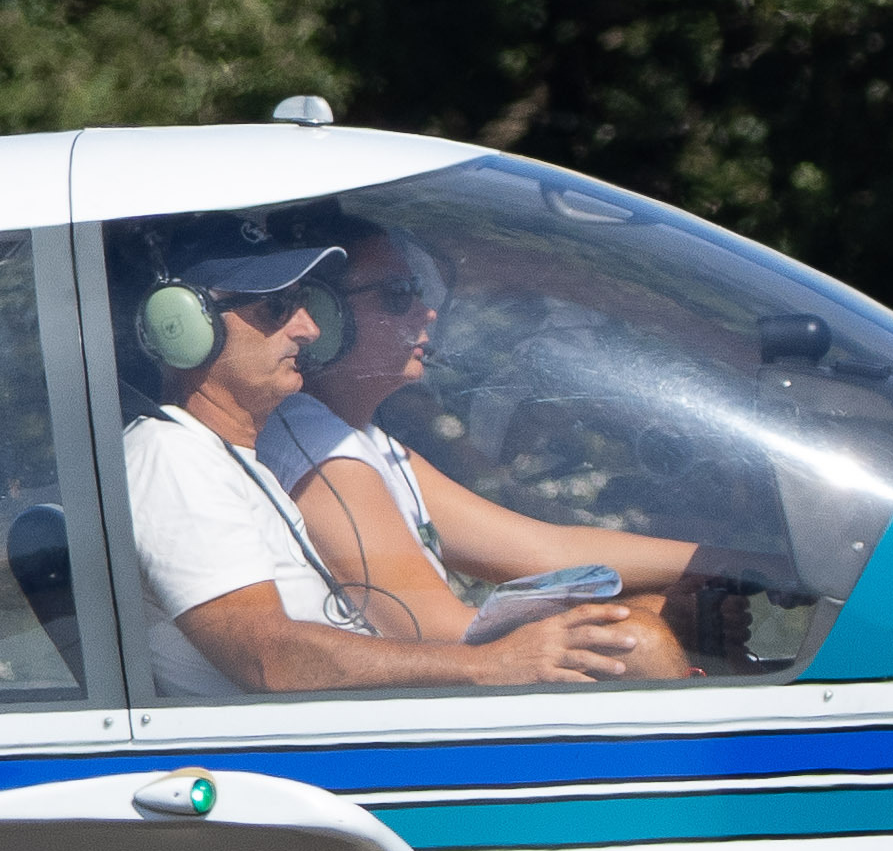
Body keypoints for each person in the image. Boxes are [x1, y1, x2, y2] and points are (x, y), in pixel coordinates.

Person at [119, 242, 654, 695]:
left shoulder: (236, 460)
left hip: (343, 746)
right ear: (183, 326)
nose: (307, 329)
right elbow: (267, 656)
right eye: (275, 309)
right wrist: (488, 665)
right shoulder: (171, 456)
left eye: (304, 305)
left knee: (639, 625)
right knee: (639, 646)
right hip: (301, 776)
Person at [264, 225, 704, 682]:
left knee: (654, 609)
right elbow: (430, 631)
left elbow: (544, 549)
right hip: (391, 722)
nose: (427, 312)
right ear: (323, 316)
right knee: (637, 641)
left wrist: (731, 567)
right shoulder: (312, 441)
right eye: (397, 295)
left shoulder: (359, 440)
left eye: (417, 291)